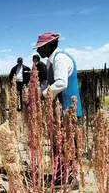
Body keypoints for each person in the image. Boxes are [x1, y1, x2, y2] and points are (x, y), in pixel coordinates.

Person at [34, 31, 82, 190]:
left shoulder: (60, 58)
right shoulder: (52, 60)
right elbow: (50, 82)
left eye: (40, 47)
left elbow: (61, 84)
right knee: (59, 145)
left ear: (48, 46)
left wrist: (41, 96)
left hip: (68, 110)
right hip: (60, 111)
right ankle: (62, 176)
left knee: (66, 146)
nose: (38, 51)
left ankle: (69, 180)